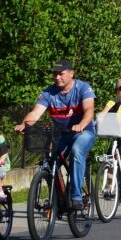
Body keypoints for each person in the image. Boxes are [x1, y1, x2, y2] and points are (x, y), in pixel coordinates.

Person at [15, 60, 96, 211]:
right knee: (49, 162)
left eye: (61, 74)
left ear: (71, 73)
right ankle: (58, 199)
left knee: (77, 151)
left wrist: (82, 124)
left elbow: (89, 109)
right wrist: (24, 124)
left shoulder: (83, 87)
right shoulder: (48, 93)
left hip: (83, 132)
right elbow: (35, 113)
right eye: (55, 74)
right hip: (60, 135)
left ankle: (76, 197)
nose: (57, 77)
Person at [0, 134, 9, 203]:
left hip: (2, 166)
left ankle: (0, 193)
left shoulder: (1, 138)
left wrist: (1, 160)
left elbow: (5, 152)